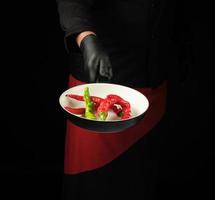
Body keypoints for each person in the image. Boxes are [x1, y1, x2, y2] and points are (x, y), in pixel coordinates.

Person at [56, 0, 180, 199]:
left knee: (141, 182)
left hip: (155, 86)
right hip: (101, 86)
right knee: (94, 185)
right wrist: (86, 37)